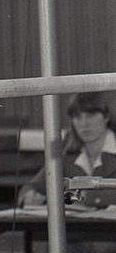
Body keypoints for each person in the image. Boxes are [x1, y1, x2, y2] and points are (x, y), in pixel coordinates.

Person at [18, 92, 116, 253]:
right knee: (46, 245)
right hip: (75, 231)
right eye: (78, 116)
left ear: (106, 116)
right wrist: (29, 196)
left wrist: (86, 196)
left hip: (109, 234)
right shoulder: (67, 148)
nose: (84, 123)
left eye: (91, 115)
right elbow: (34, 184)